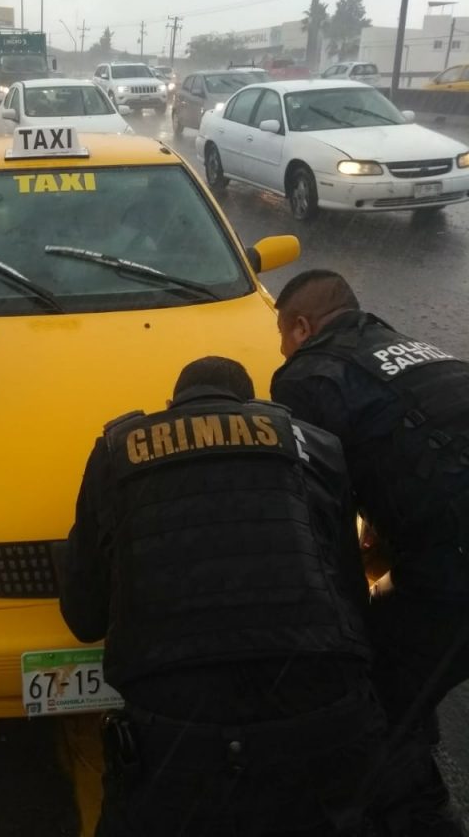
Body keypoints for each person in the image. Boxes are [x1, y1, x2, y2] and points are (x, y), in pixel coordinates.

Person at [59, 356, 385, 837]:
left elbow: (84, 618)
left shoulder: (116, 450)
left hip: (174, 729)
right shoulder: (317, 446)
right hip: (320, 711)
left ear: (173, 404)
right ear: (253, 407)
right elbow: (351, 598)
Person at [271, 269, 469, 836]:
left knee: (373, 693)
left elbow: (321, 511)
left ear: (302, 328)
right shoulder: (415, 351)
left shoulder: (306, 377)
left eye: (282, 335)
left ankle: (420, 817)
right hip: (449, 540)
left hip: (453, 565)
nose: (282, 349)